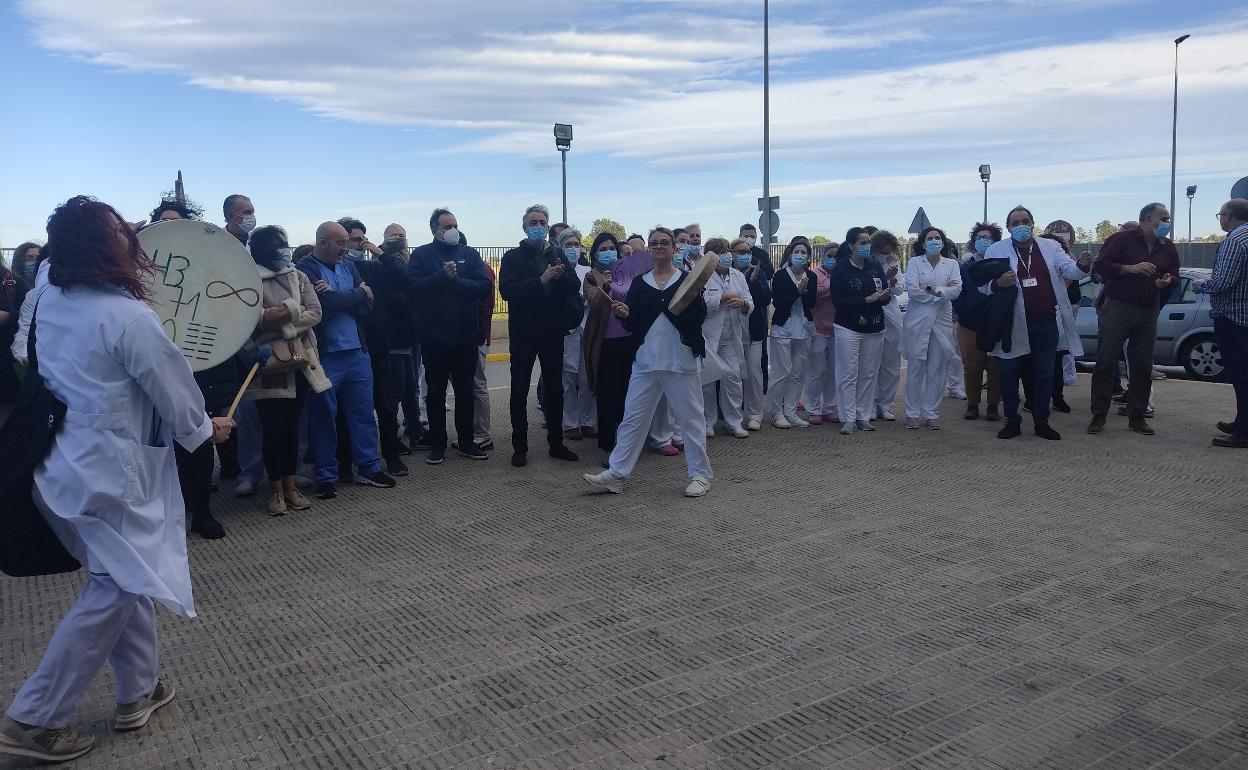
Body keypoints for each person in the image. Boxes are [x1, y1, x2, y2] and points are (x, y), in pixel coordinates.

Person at [0, 196, 235, 763]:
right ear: (113, 249)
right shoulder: (128, 317)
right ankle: (35, 718)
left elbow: (21, 358)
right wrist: (210, 428)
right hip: (112, 475)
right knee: (119, 583)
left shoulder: (42, 297)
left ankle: (139, 690)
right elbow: (179, 403)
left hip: (54, 463)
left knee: (125, 572)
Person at [583, 227, 712, 497]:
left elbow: (697, 319)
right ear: (649, 250)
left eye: (665, 243)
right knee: (633, 418)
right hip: (646, 361)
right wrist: (625, 313)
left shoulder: (688, 280)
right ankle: (617, 474)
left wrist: (691, 300)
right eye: (654, 243)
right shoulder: (640, 283)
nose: (659, 247)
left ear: (674, 248)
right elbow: (633, 323)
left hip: (680, 359)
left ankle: (700, 474)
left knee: (690, 419)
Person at [297, 222, 396, 496]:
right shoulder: (305, 268)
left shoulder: (349, 267)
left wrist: (345, 297)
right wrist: (357, 294)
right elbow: (322, 307)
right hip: (325, 356)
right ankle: (326, 475)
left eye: (345, 242)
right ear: (323, 242)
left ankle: (369, 468)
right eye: (340, 243)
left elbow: (368, 305)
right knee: (323, 418)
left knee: (364, 414)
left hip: (357, 353)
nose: (345, 248)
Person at [984, 206, 1092, 440]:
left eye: (1025, 221)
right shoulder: (995, 250)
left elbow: (1070, 270)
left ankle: (1041, 421)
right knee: (1009, 373)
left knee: (1044, 373)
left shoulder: (1051, 247)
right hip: (1011, 323)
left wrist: (1083, 265)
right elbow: (982, 285)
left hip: (1045, 322)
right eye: (1015, 223)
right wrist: (997, 284)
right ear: (1009, 227)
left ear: (1033, 224)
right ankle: (1012, 420)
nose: (1020, 226)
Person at [242, 225, 328, 516]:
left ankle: (292, 486)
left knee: (292, 428)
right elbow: (250, 319)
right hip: (268, 363)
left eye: (285, 244)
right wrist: (293, 309)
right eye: (278, 245)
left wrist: (280, 319)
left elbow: (315, 312)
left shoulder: (298, 275)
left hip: (300, 361)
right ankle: (276, 489)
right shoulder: (248, 279)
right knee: (272, 429)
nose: (284, 249)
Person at [407, 208, 493, 464]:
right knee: (434, 393)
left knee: (465, 391)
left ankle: (467, 442)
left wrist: (455, 282)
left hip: (465, 336)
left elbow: (484, 286)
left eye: (454, 224)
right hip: (434, 338)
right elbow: (413, 288)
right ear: (435, 229)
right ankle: (438, 445)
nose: (452, 230)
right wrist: (441, 277)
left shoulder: (469, 253)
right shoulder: (421, 255)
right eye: (446, 226)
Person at [498, 204, 581, 467]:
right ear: (524, 227)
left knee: (554, 388)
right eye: (533, 222)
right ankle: (519, 446)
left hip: (552, 331)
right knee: (520, 389)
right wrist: (541, 280)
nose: (539, 226)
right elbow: (507, 291)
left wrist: (558, 276)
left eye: (543, 222)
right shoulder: (512, 257)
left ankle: (556, 443)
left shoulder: (557, 254)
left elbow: (573, 284)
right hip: (524, 332)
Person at [1087, 203, 1180, 436]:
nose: (1168, 222)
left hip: (1148, 309)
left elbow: (1175, 273)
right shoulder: (1122, 239)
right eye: (1164, 218)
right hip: (1118, 306)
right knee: (1106, 361)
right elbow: (1100, 266)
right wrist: (1129, 268)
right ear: (1149, 219)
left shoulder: (1167, 247)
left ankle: (1137, 416)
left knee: (1142, 365)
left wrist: (1167, 280)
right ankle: (1099, 415)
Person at [337, 217, 412, 475]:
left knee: (386, 403)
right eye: (353, 240)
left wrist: (380, 253)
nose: (359, 244)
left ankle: (391, 455)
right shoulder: (335, 270)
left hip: (378, 345)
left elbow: (403, 278)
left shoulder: (374, 268)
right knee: (347, 408)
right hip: (348, 345)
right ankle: (345, 461)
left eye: (362, 239)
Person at [583, 233, 649, 460]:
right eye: (604, 248)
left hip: (629, 340)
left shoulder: (631, 274)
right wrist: (607, 287)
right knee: (608, 393)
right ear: (595, 253)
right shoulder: (592, 276)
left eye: (612, 248)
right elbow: (592, 300)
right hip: (606, 343)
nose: (609, 251)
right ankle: (608, 444)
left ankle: (628, 442)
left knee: (629, 393)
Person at [830, 227, 892, 435]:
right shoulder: (841, 268)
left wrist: (884, 296)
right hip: (848, 327)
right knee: (848, 373)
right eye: (862, 243)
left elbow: (887, 295)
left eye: (868, 242)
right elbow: (837, 300)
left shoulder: (875, 266)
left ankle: (862, 415)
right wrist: (865, 300)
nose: (866, 246)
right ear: (851, 246)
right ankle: (847, 417)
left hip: (875, 327)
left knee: (868, 373)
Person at [1198, 199, 1248, 447]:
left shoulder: (1234, 241)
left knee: (1240, 375)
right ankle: (1242, 421)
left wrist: (1201, 286)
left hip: (1234, 319)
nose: (1220, 219)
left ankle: (1244, 432)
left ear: (1228, 216)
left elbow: (1223, 282)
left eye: (1220, 215)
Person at [903, 227, 962, 429]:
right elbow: (912, 290)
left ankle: (931, 414)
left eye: (938, 238)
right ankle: (911, 413)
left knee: (937, 368)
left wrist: (932, 289)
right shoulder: (914, 263)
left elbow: (956, 290)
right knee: (915, 367)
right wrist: (941, 293)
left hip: (942, 320)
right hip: (918, 319)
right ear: (923, 242)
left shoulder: (952, 264)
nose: (934, 241)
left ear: (943, 242)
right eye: (930, 238)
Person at [701, 237, 753, 438]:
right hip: (709, 336)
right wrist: (719, 299)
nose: (727, 255)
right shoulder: (702, 276)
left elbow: (749, 299)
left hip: (731, 337)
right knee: (707, 380)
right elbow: (698, 303)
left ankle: (734, 422)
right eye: (721, 252)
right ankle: (707, 422)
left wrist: (743, 304)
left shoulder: (738, 275)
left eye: (728, 251)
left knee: (733, 378)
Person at [767, 236, 818, 429]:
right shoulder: (780, 276)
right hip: (783, 328)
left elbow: (812, 303)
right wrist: (797, 291)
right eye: (796, 252)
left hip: (804, 329)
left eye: (803, 252)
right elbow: (779, 303)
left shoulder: (811, 277)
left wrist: (805, 292)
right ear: (790, 254)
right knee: (782, 371)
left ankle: (790, 411)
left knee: (798, 373)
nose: (800, 255)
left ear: (808, 256)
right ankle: (776, 412)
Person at [956, 223, 1002, 420]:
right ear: (974, 242)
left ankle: (993, 406)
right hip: (970, 324)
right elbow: (958, 295)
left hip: (996, 323)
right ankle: (972, 405)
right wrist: (966, 312)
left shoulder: (1001, 266)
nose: (984, 241)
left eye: (988, 238)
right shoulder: (964, 268)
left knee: (995, 367)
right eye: (980, 238)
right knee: (972, 366)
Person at [556, 228, 596, 441]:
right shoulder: (556, 269)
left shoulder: (588, 270)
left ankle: (587, 420)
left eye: (575, 244)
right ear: (561, 247)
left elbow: (596, 295)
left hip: (588, 326)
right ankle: (570, 423)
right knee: (568, 377)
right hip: (567, 329)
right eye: (568, 245)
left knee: (587, 375)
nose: (572, 248)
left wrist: (585, 298)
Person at [739, 223, 775, 427]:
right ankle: (733, 414)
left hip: (755, 328)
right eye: (739, 251)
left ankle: (755, 414)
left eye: (751, 238)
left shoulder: (758, 267)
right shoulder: (729, 271)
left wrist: (753, 280)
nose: (745, 252)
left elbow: (765, 299)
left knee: (754, 372)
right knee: (733, 374)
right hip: (732, 331)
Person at [804, 243, 841, 424]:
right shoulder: (815, 274)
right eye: (830, 255)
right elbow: (814, 295)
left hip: (838, 329)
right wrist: (832, 285)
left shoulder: (843, 273)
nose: (833, 259)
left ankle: (830, 407)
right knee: (817, 371)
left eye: (836, 256)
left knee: (833, 371)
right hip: (818, 329)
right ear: (824, 256)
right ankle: (813, 408)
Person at [870, 231, 904, 421]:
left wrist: (891, 279)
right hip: (873, 313)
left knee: (891, 363)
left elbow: (899, 288)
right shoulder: (868, 263)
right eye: (883, 251)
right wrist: (884, 277)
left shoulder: (894, 263)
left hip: (891, 314)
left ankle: (886, 404)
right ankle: (871, 403)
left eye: (889, 251)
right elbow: (869, 286)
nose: (886, 254)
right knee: (873, 363)